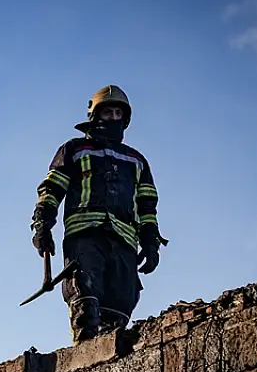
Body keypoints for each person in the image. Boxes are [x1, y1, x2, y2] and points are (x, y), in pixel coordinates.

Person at [30, 85, 167, 344]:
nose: (113, 118)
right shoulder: (75, 149)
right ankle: (84, 354)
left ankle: (106, 357)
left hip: (125, 241)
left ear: (125, 120)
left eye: (118, 113)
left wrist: (151, 242)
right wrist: (42, 225)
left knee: (121, 303)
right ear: (95, 116)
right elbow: (52, 188)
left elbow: (147, 205)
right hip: (86, 234)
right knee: (86, 294)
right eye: (108, 113)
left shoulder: (137, 160)